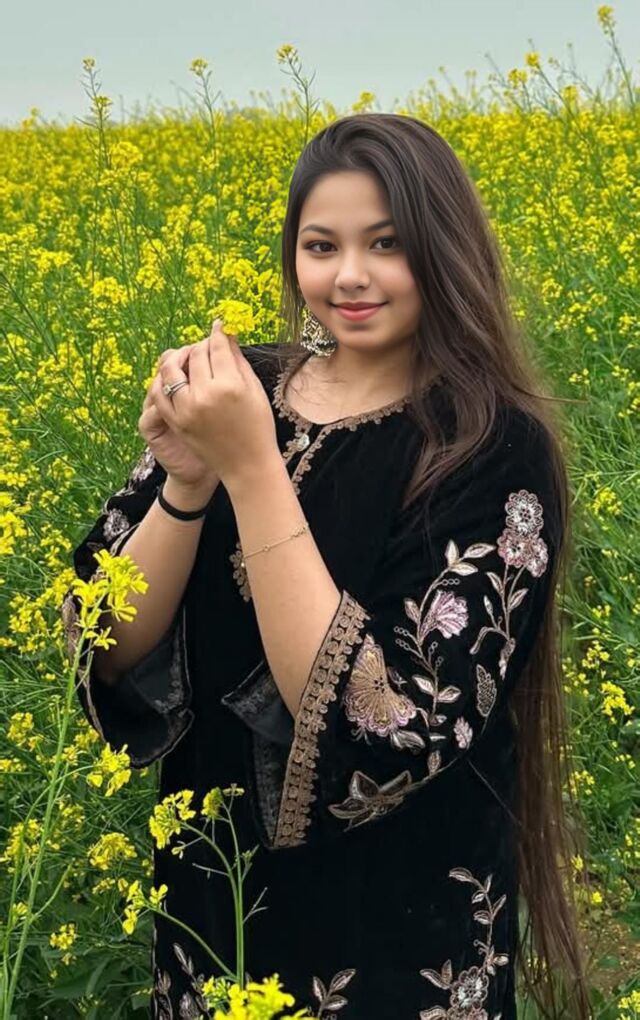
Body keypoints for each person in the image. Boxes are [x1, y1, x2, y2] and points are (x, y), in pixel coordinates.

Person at [60, 113, 593, 1019]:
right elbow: (103, 642)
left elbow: (388, 727)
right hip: (214, 901)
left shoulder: (491, 448)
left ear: (445, 249)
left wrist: (251, 467)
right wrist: (186, 481)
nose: (349, 275)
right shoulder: (242, 393)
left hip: (397, 935)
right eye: (321, 245)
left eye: (386, 244)